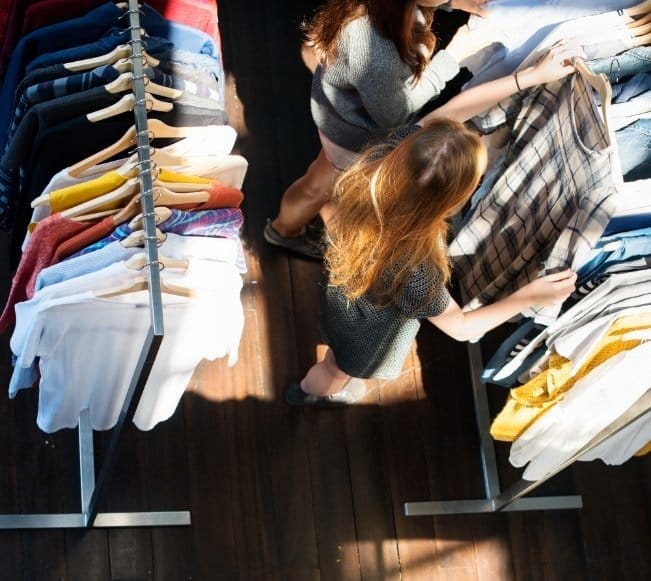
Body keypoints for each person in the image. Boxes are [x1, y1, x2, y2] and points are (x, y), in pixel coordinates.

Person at [284, 41, 583, 406]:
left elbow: (451, 113)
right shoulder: (414, 270)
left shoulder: (383, 159)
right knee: (335, 368)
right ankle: (309, 394)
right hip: (366, 336)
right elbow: (460, 328)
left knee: (334, 355)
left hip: (342, 300)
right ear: (451, 201)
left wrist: (529, 77)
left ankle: (316, 384)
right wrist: (531, 296)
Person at [264, 0, 497, 259]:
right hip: (352, 137)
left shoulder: (377, 10)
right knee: (324, 189)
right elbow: (394, 114)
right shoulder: (375, 51)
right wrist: (452, 57)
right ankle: (284, 232)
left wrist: (451, 3)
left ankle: (285, 229)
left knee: (319, 180)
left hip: (342, 118)